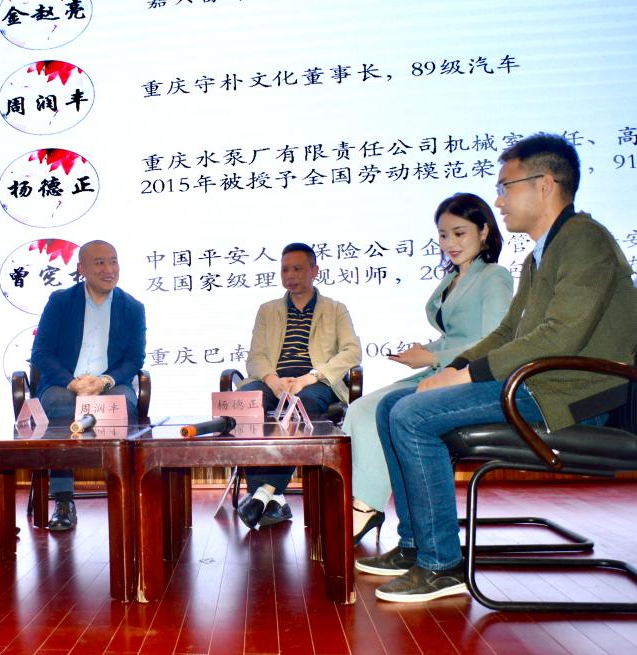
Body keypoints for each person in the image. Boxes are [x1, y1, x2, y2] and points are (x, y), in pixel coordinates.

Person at [357, 133, 637, 603]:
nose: (500, 200)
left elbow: (559, 336)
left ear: (545, 184)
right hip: (541, 387)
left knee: (411, 415)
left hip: (570, 397)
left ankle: (442, 565)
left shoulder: (584, 240)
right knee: (392, 407)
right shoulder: (541, 254)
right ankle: (415, 544)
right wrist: (453, 368)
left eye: (506, 186)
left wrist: (465, 374)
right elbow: (508, 333)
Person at [344, 193, 512, 545]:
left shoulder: (494, 276)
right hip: (440, 370)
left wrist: (434, 358)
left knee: (371, 410)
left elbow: (492, 341)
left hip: (468, 377)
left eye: (459, 233)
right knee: (360, 410)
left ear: (484, 231)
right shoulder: (453, 278)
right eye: (443, 235)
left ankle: (367, 505)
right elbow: (454, 336)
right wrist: (425, 352)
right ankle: (365, 502)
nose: (450, 243)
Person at [236, 242, 362, 530]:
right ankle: (273, 498)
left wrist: (310, 377)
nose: (290, 275)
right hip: (274, 380)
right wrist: (272, 380)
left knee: (302, 406)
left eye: (297, 268)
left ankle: (263, 493)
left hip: (315, 382)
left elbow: (352, 351)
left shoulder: (335, 309)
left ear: (315, 271)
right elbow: (255, 357)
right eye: (285, 270)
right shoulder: (267, 310)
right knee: (245, 402)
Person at [31, 240, 146, 530]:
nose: (109, 269)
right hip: (65, 383)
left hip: (109, 383)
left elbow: (135, 359)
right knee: (58, 403)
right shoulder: (61, 302)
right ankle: (63, 499)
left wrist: (105, 381)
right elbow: (41, 353)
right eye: (100, 263)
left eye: (113, 261)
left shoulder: (132, 307)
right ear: (81, 268)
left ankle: (125, 494)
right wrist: (72, 383)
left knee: (122, 402)